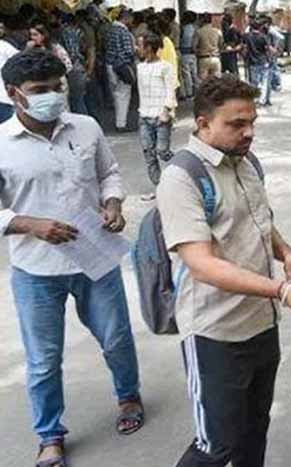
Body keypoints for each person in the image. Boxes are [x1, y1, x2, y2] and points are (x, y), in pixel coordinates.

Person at [156, 75, 291, 467]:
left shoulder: (246, 162)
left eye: (251, 122)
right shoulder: (182, 178)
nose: (248, 133)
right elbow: (202, 264)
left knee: (253, 429)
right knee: (215, 445)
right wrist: (281, 290)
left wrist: (285, 251)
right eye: (236, 124)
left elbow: (259, 220)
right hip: (216, 333)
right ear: (203, 123)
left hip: (261, 325)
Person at [0, 49, 143, 467]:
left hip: (95, 259)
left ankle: (129, 397)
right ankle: (49, 435)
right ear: (13, 93)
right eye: (39, 90)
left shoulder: (85, 126)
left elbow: (108, 173)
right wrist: (29, 224)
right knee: (44, 361)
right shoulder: (2, 145)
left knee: (116, 339)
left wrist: (113, 203)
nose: (52, 96)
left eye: (57, 86)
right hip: (36, 270)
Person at [136, 32, 176, 201]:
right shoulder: (140, 67)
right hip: (144, 115)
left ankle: (184, 168)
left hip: (161, 116)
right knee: (148, 153)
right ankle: (160, 189)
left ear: (149, 47)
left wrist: (167, 111)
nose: (137, 48)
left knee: (162, 151)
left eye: (139, 45)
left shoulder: (166, 67)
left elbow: (170, 90)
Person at [105, 9, 136, 131]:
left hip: (110, 64)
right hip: (122, 66)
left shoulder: (110, 30)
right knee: (123, 95)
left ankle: (119, 121)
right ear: (126, 18)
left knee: (116, 94)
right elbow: (129, 51)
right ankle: (121, 124)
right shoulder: (124, 32)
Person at [59, 14, 89, 115]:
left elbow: (71, 52)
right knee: (79, 98)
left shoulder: (63, 32)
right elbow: (84, 47)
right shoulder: (79, 31)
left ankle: (81, 119)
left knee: (75, 99)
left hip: (71, 65)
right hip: (79, 64)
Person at [244, 20, 272, 107]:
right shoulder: (263, 37)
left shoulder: (247, 37)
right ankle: (262, 100)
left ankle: (255, 100)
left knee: (254, 83)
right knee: (264, 82)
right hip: (263, 61)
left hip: (252, 62)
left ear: (251, 27)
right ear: (259, 27)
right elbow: (267, 49)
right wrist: (270, 59)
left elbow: (245, 48)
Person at [195, 13, 223, 82]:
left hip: (203, 58)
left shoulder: (199, 32)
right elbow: (221, 45)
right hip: (216, 58)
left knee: (203, 82)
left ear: (201, 20)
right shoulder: (218, 31)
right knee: (217, 82)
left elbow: (194, 47)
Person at [0, 24, 18, 123]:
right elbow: (21, 61)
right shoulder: (4, 46)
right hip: (4, 99)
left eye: (2, 27)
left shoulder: (5, 46)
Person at [179, 11, 198, 100]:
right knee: (194, 73)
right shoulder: (196, 28)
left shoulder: (182, 29)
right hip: (193, 53)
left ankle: (189, 93)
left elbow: (180, 40)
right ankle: (197, 91)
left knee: (186, 74)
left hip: (184, 53)